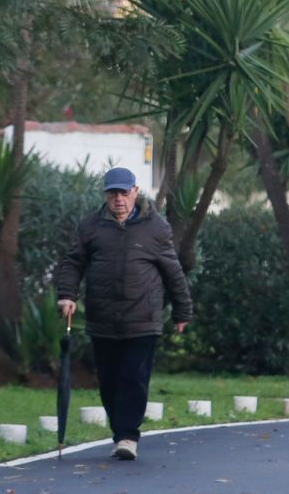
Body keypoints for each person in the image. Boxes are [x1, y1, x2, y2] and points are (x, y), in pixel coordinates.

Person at [55, 167, 192, 461]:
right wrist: (67, 295)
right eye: (112, 193)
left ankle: (128, 436)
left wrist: (182, 311)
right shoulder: (91, 226)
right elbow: (73, 262)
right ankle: (120, 432)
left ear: (135, 192)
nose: (119, 199)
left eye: (124, 192)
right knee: (109, 380)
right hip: (102, 318)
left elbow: (173, 271)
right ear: (105, 195)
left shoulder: (155, 227)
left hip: (142, 317)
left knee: (134, 377)